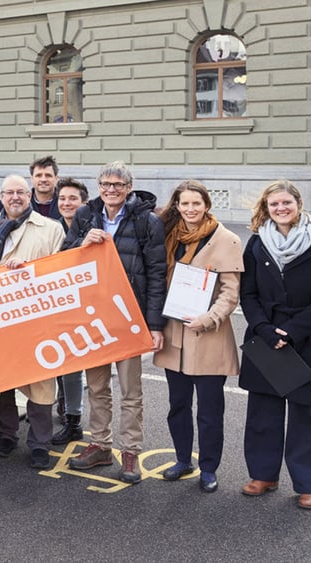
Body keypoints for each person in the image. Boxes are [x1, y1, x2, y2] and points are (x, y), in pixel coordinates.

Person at [62, 161, 166, 484]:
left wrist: (154, 324)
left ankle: (131, 450)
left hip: (128, 318)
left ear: (128, 188)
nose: (111, 190)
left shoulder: (147, 221)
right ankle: (100, 444)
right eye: (105, 184)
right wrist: (81, 244)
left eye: (118, 185)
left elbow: (156, 275)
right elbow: (63, 257)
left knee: (131, 390)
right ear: (98, 186)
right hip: (93, 317)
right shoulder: (84, 216)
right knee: (96, 386)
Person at [0, 175, 63, 467]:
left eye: (21, 192)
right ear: (1, 195)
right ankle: (8, 432)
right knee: (2, 378)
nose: (15, 197)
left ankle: (40, 443)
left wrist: (31, 270)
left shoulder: (51, 229)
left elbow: (61, 270)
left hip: (35, 321)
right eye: (9, 192)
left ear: (29, 194)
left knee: (40, 384)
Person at [153, 180, 243, 493]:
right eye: (184, 204)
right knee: (177, 405)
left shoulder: (226, 240)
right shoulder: (167, 236)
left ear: (206, 205)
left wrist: (208, 318)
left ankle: (208, 467)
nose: (190, 209)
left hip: (208, 337)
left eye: (196, 203)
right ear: (175, 206)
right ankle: (182, 460)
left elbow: (231, 293)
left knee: (209, 411)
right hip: (174, 334)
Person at [238, 180, 311, 509]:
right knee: (262, 412)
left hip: (305, 336)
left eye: (286, 203)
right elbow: (248, 293)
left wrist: (292, 330)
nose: (281, 209)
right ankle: (264, 474)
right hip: (264, 335)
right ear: (265, 209)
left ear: (298, 203)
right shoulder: (255, 244)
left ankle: (307, 481)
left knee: (304, 414)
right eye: (274, 205)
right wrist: (265, 329)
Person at [51, 177, 90, 445]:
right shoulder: (51, 229)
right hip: (57, 306)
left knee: (90, 370)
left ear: (84, 202)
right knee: (65, 366)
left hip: (87, 305)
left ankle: (81, 418)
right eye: (62, 199)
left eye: (73, 199)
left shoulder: (93, 227)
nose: (67, 203)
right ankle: (71, 418)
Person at [29, 155, 62, 220]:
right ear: (32, 179)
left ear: (56, 178)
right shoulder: (23, 203)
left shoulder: (65, 204)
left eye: (48, 175)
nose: (43, 179)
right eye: (38, 175)